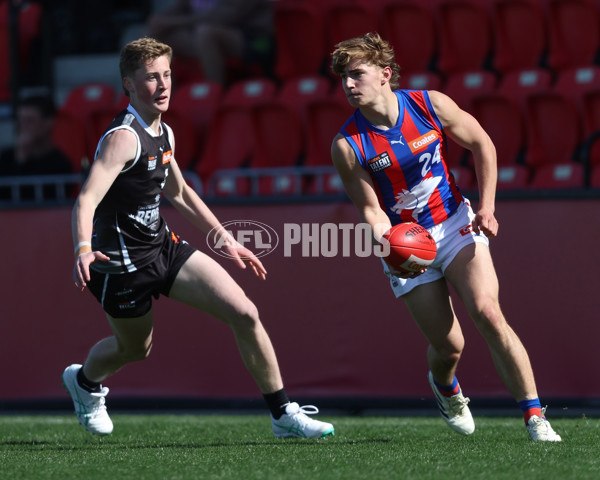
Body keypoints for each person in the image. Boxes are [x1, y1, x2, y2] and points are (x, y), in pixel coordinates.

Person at [62, 37, 333, 439]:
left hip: (162, 248)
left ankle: (282, 415)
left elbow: (181, 193)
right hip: (120, 264)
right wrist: (83, 249)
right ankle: (84, 383)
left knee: (245, 312)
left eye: (167, 74)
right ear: (129, 85)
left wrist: (226, 240)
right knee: (135, 349)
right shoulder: (124, 138)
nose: (163, 85)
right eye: (151, 77)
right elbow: (85, 200)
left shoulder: (165, 132)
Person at [329, 33, 561, 442]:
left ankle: (535, 417)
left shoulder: (428, 104)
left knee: (489, 313)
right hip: (405, 242)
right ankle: (446, 387)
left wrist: (487, 207)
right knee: (450, 347)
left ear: (385, 74)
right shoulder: (348, 145)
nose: (348, 85)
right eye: (343, 78)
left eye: (356, 75)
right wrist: (392, 245)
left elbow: (482, 144)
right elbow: (370, 210)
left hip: (454, 222)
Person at [145, 0, 275, 85]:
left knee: (206, 33)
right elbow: (175, 10)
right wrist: (160, 21)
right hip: (208, 38)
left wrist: (172, 22)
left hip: (256, 41)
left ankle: (214, 96)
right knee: (159, 36)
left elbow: (224, 18)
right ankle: (163, 98)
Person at [0, 94, 73, 200]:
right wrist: (20, 159)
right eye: (20, 120)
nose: (23, 126)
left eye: (30, 120)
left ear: (48, 122)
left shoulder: (61, 164)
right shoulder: (6, 158)